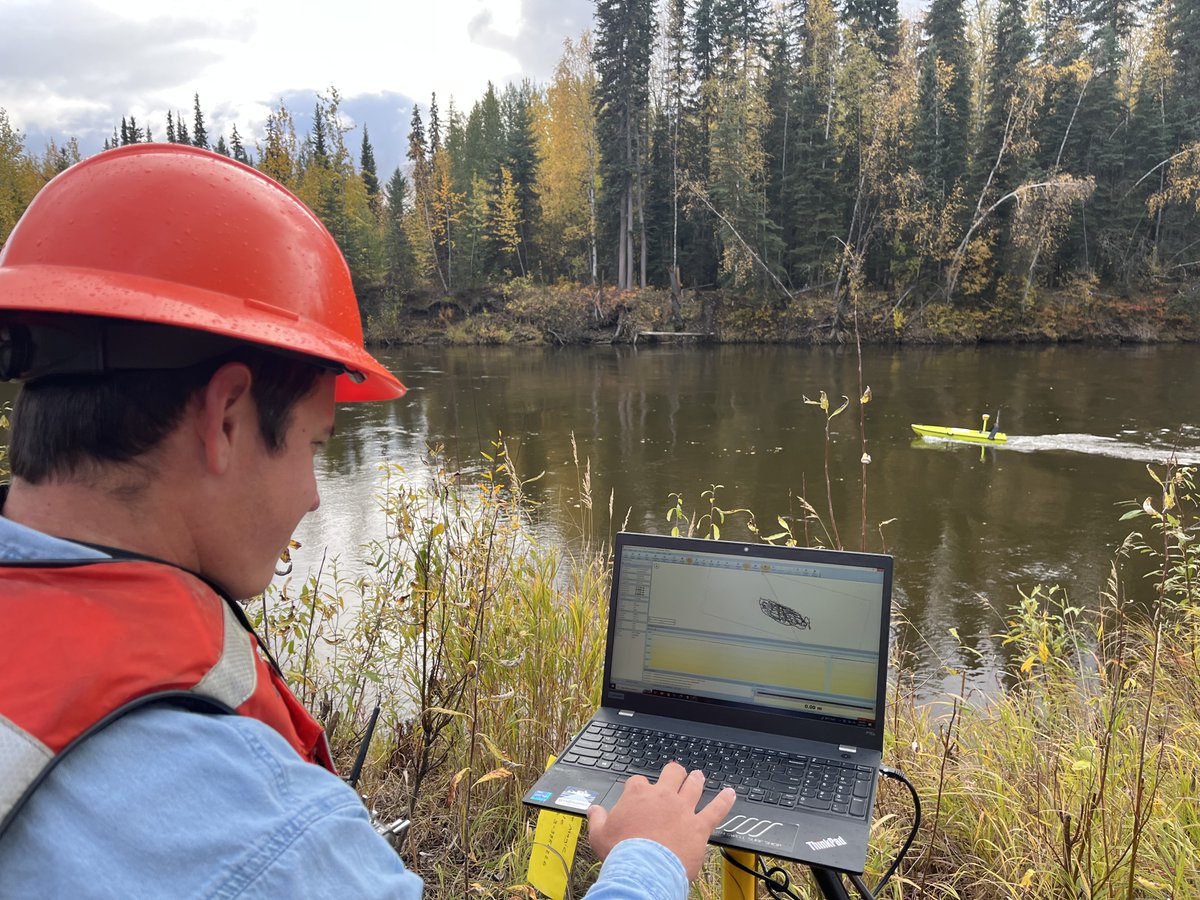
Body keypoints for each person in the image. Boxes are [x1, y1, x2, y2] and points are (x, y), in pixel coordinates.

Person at [0, 145, 735, 897]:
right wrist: (648, 862)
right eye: (315, 447)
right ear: (224, 420)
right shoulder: (263, 840)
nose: (315, 498)